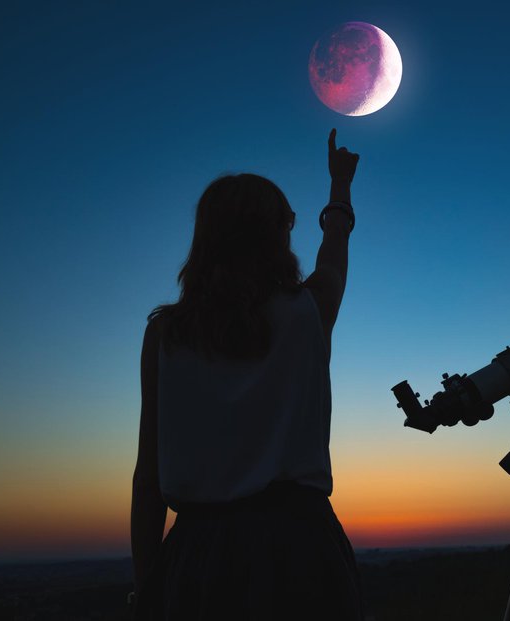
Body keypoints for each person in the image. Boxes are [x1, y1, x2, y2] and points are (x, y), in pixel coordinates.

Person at [129, 129, 362, 620]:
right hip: (300, 550)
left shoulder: (165, 335)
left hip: (198, 555)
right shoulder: (309, 310)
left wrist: (147, 586)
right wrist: (339, 186)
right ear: (278, 234)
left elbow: (148, 478)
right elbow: (335, 247)